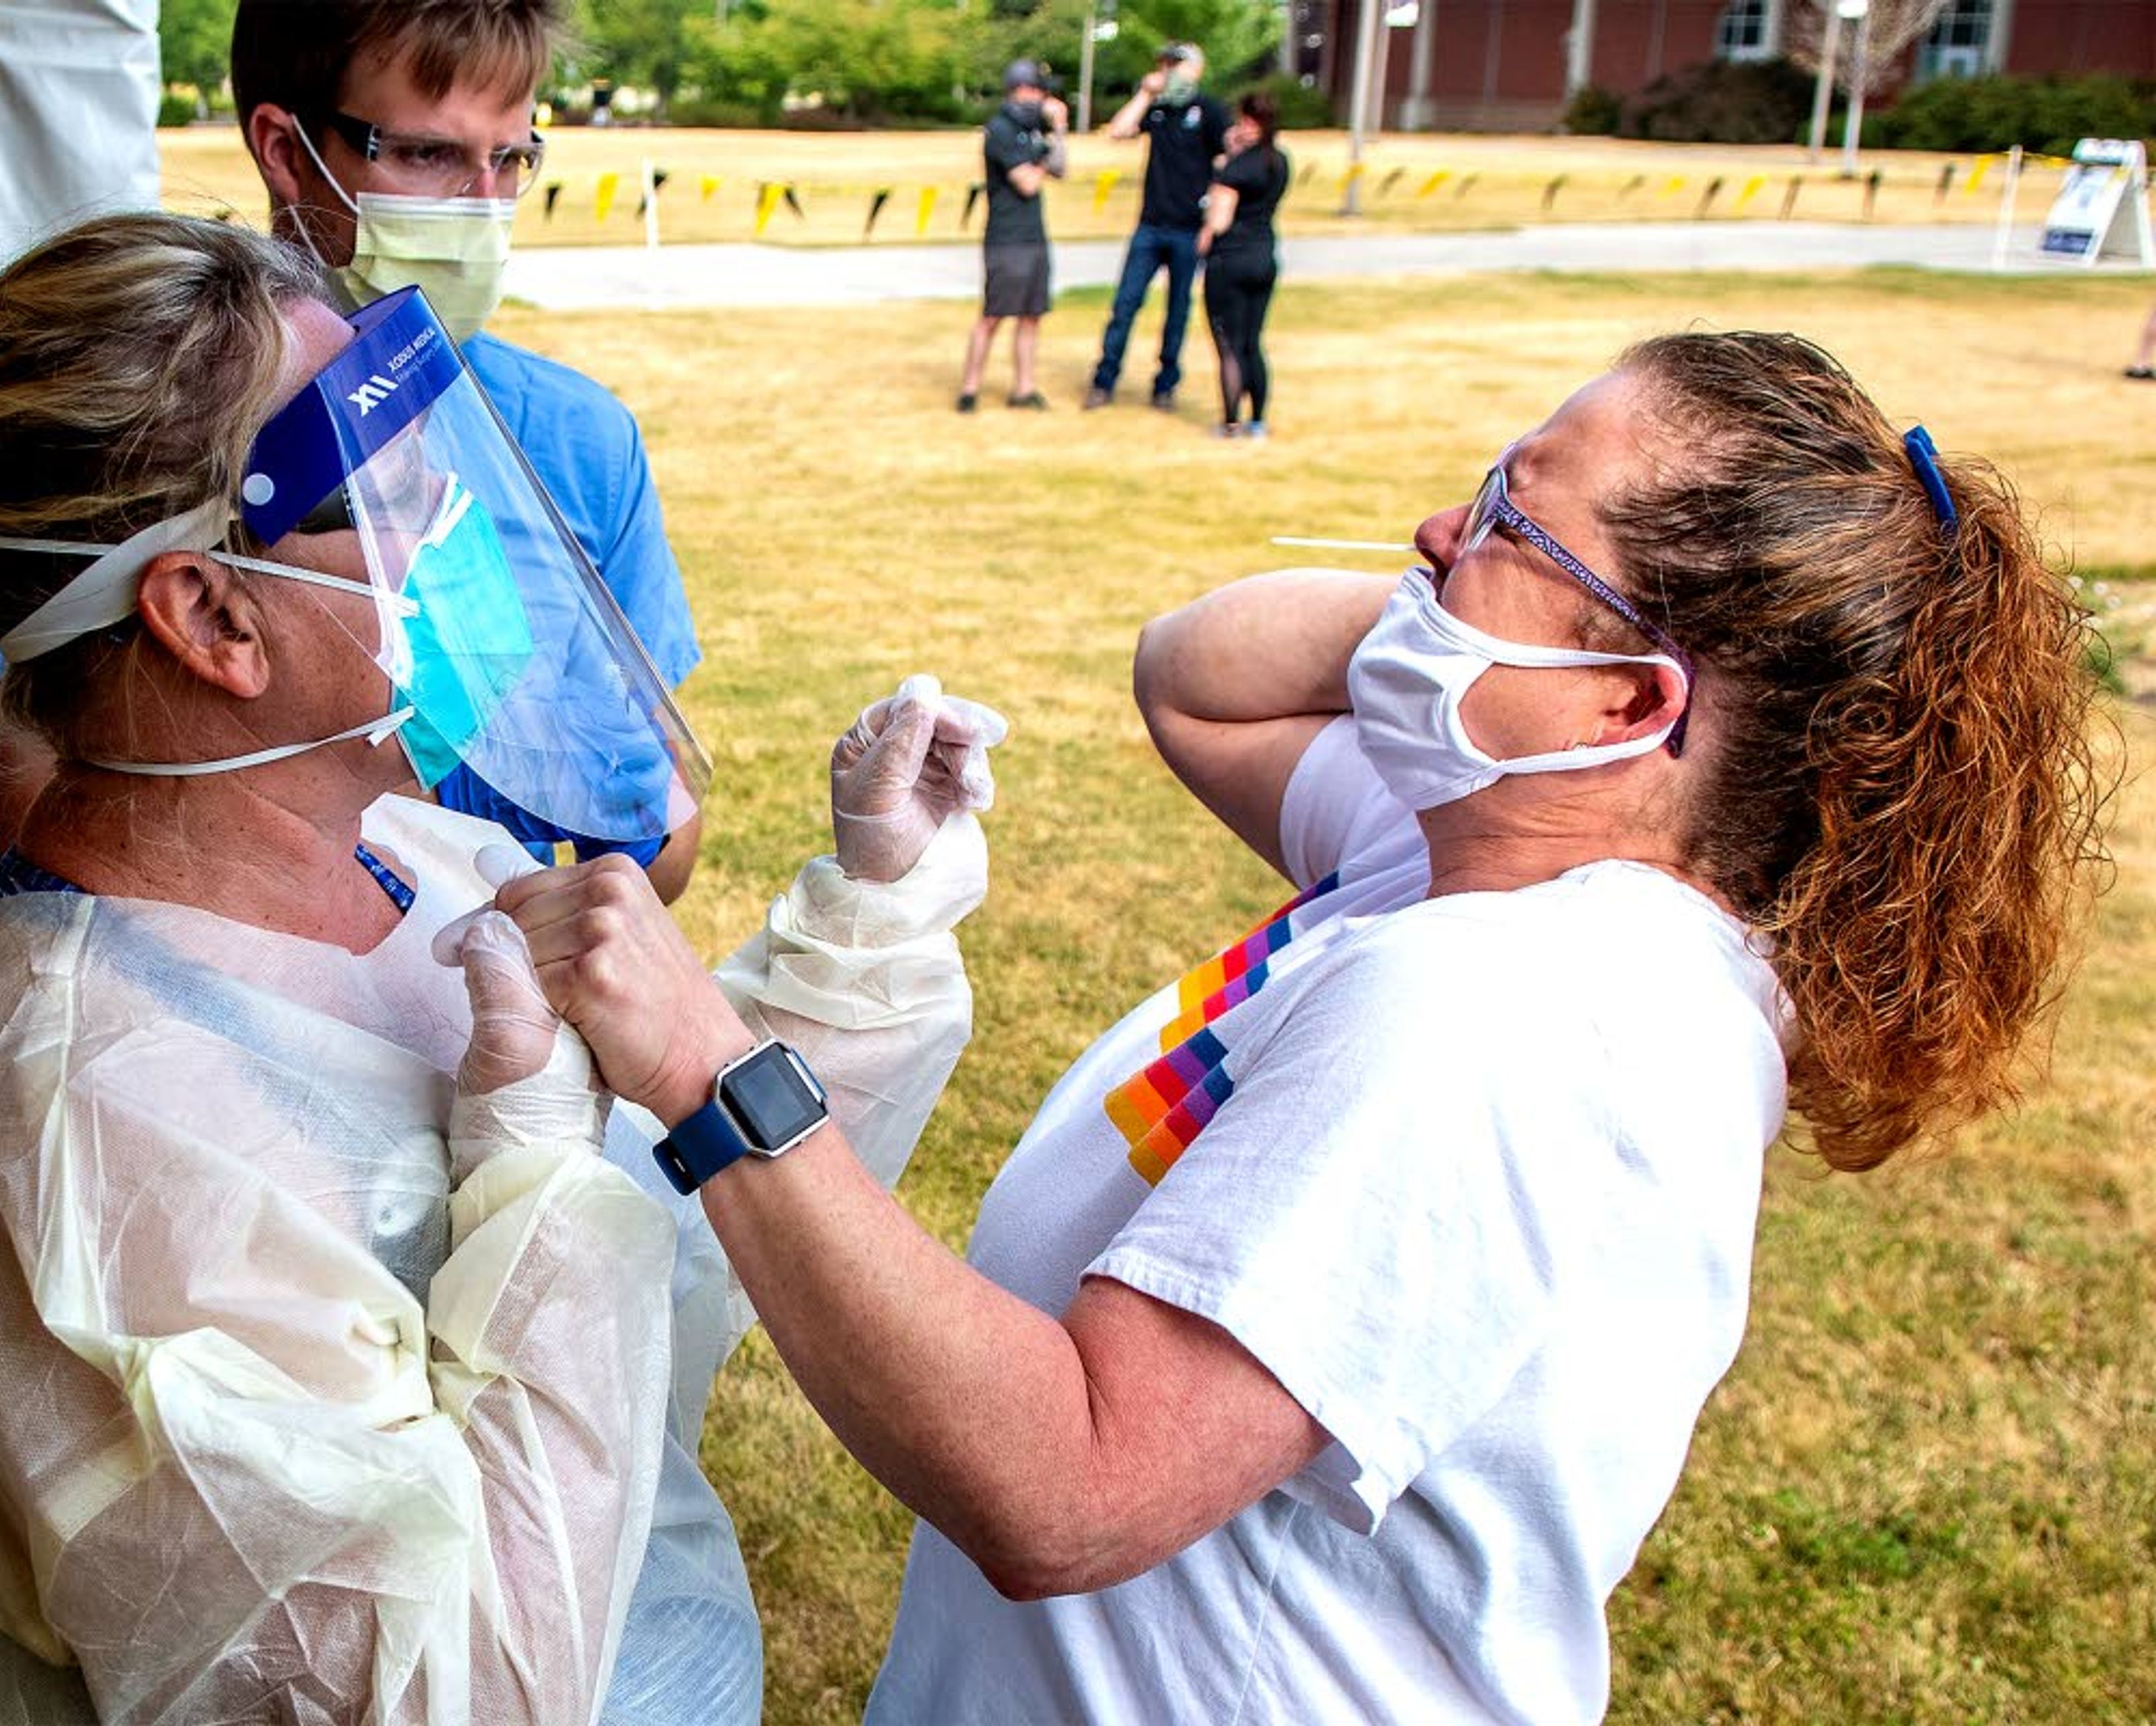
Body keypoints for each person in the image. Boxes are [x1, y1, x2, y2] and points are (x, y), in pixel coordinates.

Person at [477, 331, 2110, 1721]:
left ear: (1631, 707)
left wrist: (710, 1067)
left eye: (1500, 521)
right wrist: (1471, 612)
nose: (1427, 526)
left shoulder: (1502, 1009)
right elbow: (1199, 675)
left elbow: (1069, 1482)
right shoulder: (1466, 855)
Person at [0, 212, 994, 1726]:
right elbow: (448, 1697)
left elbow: (675, 1234)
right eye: (382, 469)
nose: (447, 505)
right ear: (210, 615)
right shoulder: (85, 1147)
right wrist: (526, 1169)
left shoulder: (412, 851)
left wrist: (865, 915)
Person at [0, 0, 707, 903]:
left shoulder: (579, 437)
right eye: (430, 154)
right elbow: (59, 836)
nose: (483, 207)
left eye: (511, 159)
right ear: (284, 147)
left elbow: (654, 829)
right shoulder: (133, 417)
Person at [1083, 42, 1230, 413]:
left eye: (1176, 66)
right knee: (1125, 305)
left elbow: (1225, 165)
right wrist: (1146, 94)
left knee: (1177, 311)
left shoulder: (1209, 111)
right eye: (1164, 66)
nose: (1169, 72)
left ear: (1195, 69)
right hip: (1150, 226)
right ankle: (1105, 379)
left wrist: (1210, 221)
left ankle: (1166, 384)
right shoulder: (1159, 108)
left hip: (1188, 229)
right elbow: (1119, 131)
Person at [957, 59, 1068, 414]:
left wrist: (1059, 131)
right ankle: (969, 389)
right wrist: (1042, 155)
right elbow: (1027, 182)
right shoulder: (1001, 130)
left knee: (1031, 315)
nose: (1038, 98)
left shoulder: (1038, 129)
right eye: (1034, 90)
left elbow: (1061, 169)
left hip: (1034, 234)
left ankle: (1024, 388)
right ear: (1018, 90)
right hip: (1007, 237)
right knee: (993, 316)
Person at [1199, 90, 1289, 440]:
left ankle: (1231, 421)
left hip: (1230, 258)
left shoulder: (1237, 168)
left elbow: (1219, 218)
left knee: (1229, 343)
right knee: (1253, 339)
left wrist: (1205, 232)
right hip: (1264, 254)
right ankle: (1258, 420)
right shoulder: (1278, 162)